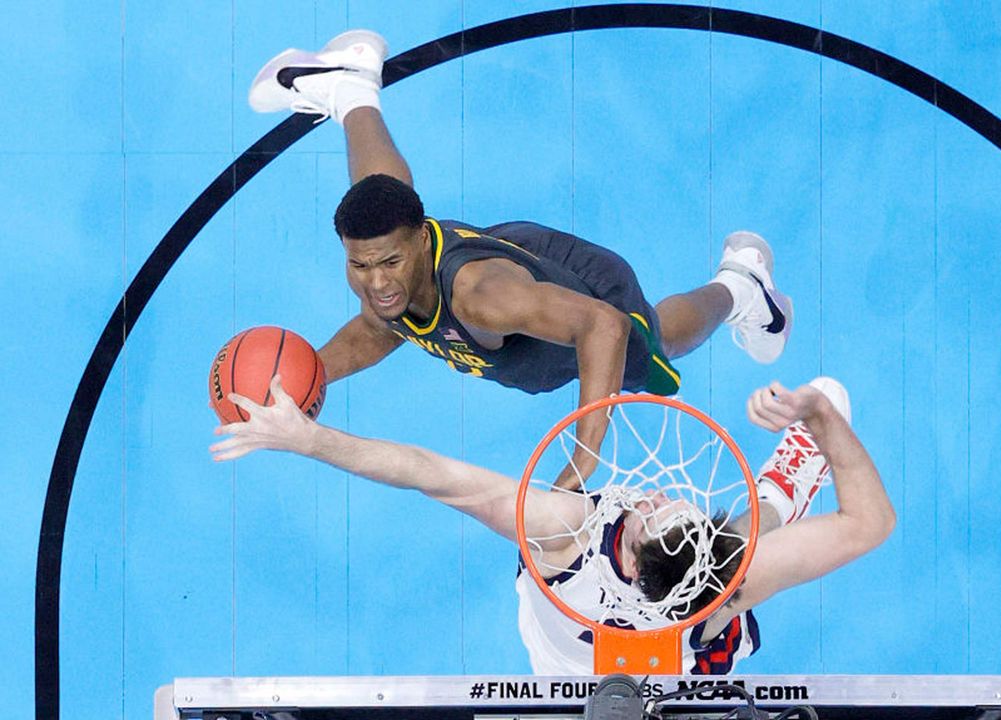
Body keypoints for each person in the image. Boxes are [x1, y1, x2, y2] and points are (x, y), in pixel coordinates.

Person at [247, 30, 793, 488]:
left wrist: (583, 462)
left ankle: (742, 284)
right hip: (512, 259)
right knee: (380, 202)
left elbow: (601, 325)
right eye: (358, 266)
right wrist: (300, 378)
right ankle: (351, 88)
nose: (374, 282)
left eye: (388, 262)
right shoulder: (387, 253)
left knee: (653, 340)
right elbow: (379, 325)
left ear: (420, 240)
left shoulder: (482, 299)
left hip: (587, 294)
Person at [209, 375, 896, 674]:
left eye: (655, 510)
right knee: (753, 538)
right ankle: (785, 480)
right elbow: (869, 525)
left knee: (744, 546)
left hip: (568, 645)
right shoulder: (722, 583)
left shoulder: (565, 531)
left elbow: (430, 472)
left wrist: (309, 440)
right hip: (672, 640)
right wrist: (826, 418)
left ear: (627, 546)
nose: (656, 495)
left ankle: (785, 483)